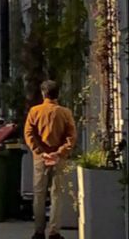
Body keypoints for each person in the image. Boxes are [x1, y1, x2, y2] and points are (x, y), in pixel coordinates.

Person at [24, 79, 77, 239]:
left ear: (43, 93)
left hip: (40, 158)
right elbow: (71, 136)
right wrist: (60, 152)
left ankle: (39, 231)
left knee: (39, 194)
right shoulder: (65, 112)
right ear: (57, 94)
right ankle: (54, 231)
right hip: (58, 158)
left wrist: (40, 151)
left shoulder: (35, 111)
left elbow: (29, 133)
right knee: (56, 194)